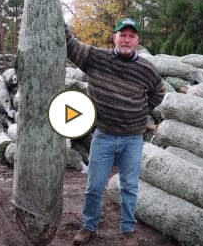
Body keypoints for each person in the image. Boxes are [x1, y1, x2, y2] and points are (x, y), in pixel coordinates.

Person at [65, 18, 165, 246]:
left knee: (129, 187)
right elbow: (71, 45)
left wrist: (142, 110)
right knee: (94, 186)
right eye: (123, 34)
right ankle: (89, 226)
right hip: (104, 136)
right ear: (115, 37)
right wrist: (58, 20)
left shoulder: (147, 68)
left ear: (138, 41)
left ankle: (128, 231)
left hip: (133, 138)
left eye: (132, 36)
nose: (127, 39)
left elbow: (158, 93)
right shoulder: (95, 58)